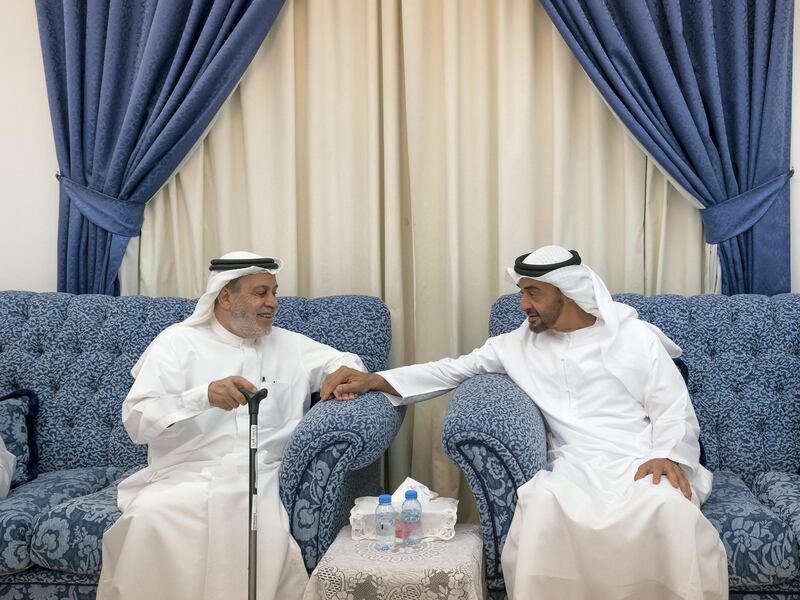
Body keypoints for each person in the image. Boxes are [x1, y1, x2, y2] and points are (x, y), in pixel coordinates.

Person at [321, 245, 728, 600]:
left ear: (567, 293)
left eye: (533, 293)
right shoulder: (516, 344)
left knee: (661, 505)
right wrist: (376, 379)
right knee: (544, 506)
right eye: (522, 293)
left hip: (642, 455)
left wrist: (667, 455)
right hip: (575, 463)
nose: (523, 305)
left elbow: (672, 407)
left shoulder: (634, 337)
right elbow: (450, 370)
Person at [97, 251, 366, 600]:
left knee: (260, 526)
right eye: (261, 293)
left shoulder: (290, 345)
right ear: (225, 296)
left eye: (274, 291)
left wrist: (342, 374)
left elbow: (346, 362)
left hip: (262, 473)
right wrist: (202, 396)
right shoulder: (177, 344)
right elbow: (137, 419)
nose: (273, 302)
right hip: (185, 472)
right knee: (151, 518)